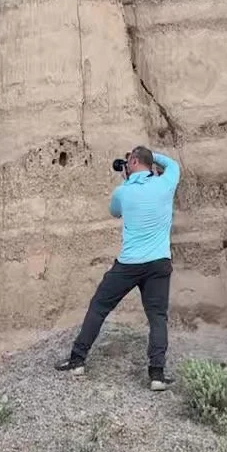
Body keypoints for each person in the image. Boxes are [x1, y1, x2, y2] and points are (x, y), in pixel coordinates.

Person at [55, 146, 181, 390]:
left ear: (133, 162)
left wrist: (130, 176)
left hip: (129, 264)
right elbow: (172, 164)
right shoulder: (167, 182)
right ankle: (156, 375)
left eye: (129, 161)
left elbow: (115, 213)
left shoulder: (122, 192)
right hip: (159, 262)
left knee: (99, 306)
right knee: (157, 317)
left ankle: (77, 360)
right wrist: (151, 158)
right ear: (150, 163)